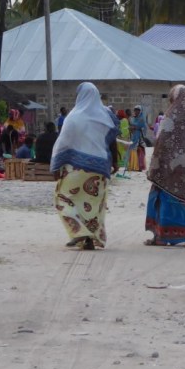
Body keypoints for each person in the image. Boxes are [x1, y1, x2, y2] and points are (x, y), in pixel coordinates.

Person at [50, 81, 117, 250]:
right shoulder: (106, 116)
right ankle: (89, 237)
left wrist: (56, 165)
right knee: (94, 205)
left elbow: (63, 142)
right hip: (101, 168)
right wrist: (114, 161)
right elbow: (112, 141)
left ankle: (80, 233)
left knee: (63, 198)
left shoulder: (74, 116)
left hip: (77, 167)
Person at [145, 84, 185, 246]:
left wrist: (157, 164)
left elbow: (160, 141)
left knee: (163, 200)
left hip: (167, 169)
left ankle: (161, 236)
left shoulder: (170, 115)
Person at [128, 105, 148, 171]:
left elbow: (144, 128)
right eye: (135, 110)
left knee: (138, 150)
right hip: (133, 136)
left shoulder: (142, 118)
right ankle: (132, 165)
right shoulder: (133, 118)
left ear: (140, 111)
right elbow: (131, 125)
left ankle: (138, 166)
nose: (136, 111)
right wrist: (130, 128)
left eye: (138, 110)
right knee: (132, 149)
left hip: (139, 137)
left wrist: (136, 128)